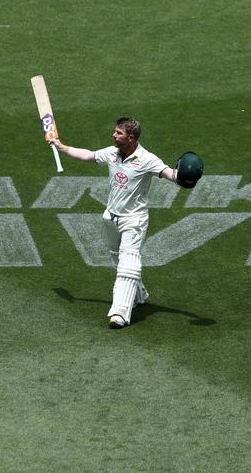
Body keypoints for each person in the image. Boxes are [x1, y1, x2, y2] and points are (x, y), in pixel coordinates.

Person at [52, 117, 180, 329]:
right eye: (115, 132)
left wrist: (184, 177)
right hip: (111, 217)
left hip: (134, 220)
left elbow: (169, 174)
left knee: (128, 262)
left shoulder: (146, 158)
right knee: (118, 259)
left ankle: (120, 311)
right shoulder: (112, 153)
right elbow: (89, 155)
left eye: (118, 133)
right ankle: (138, 295)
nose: (114, 135)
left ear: (131, 138)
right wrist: (62, 147)